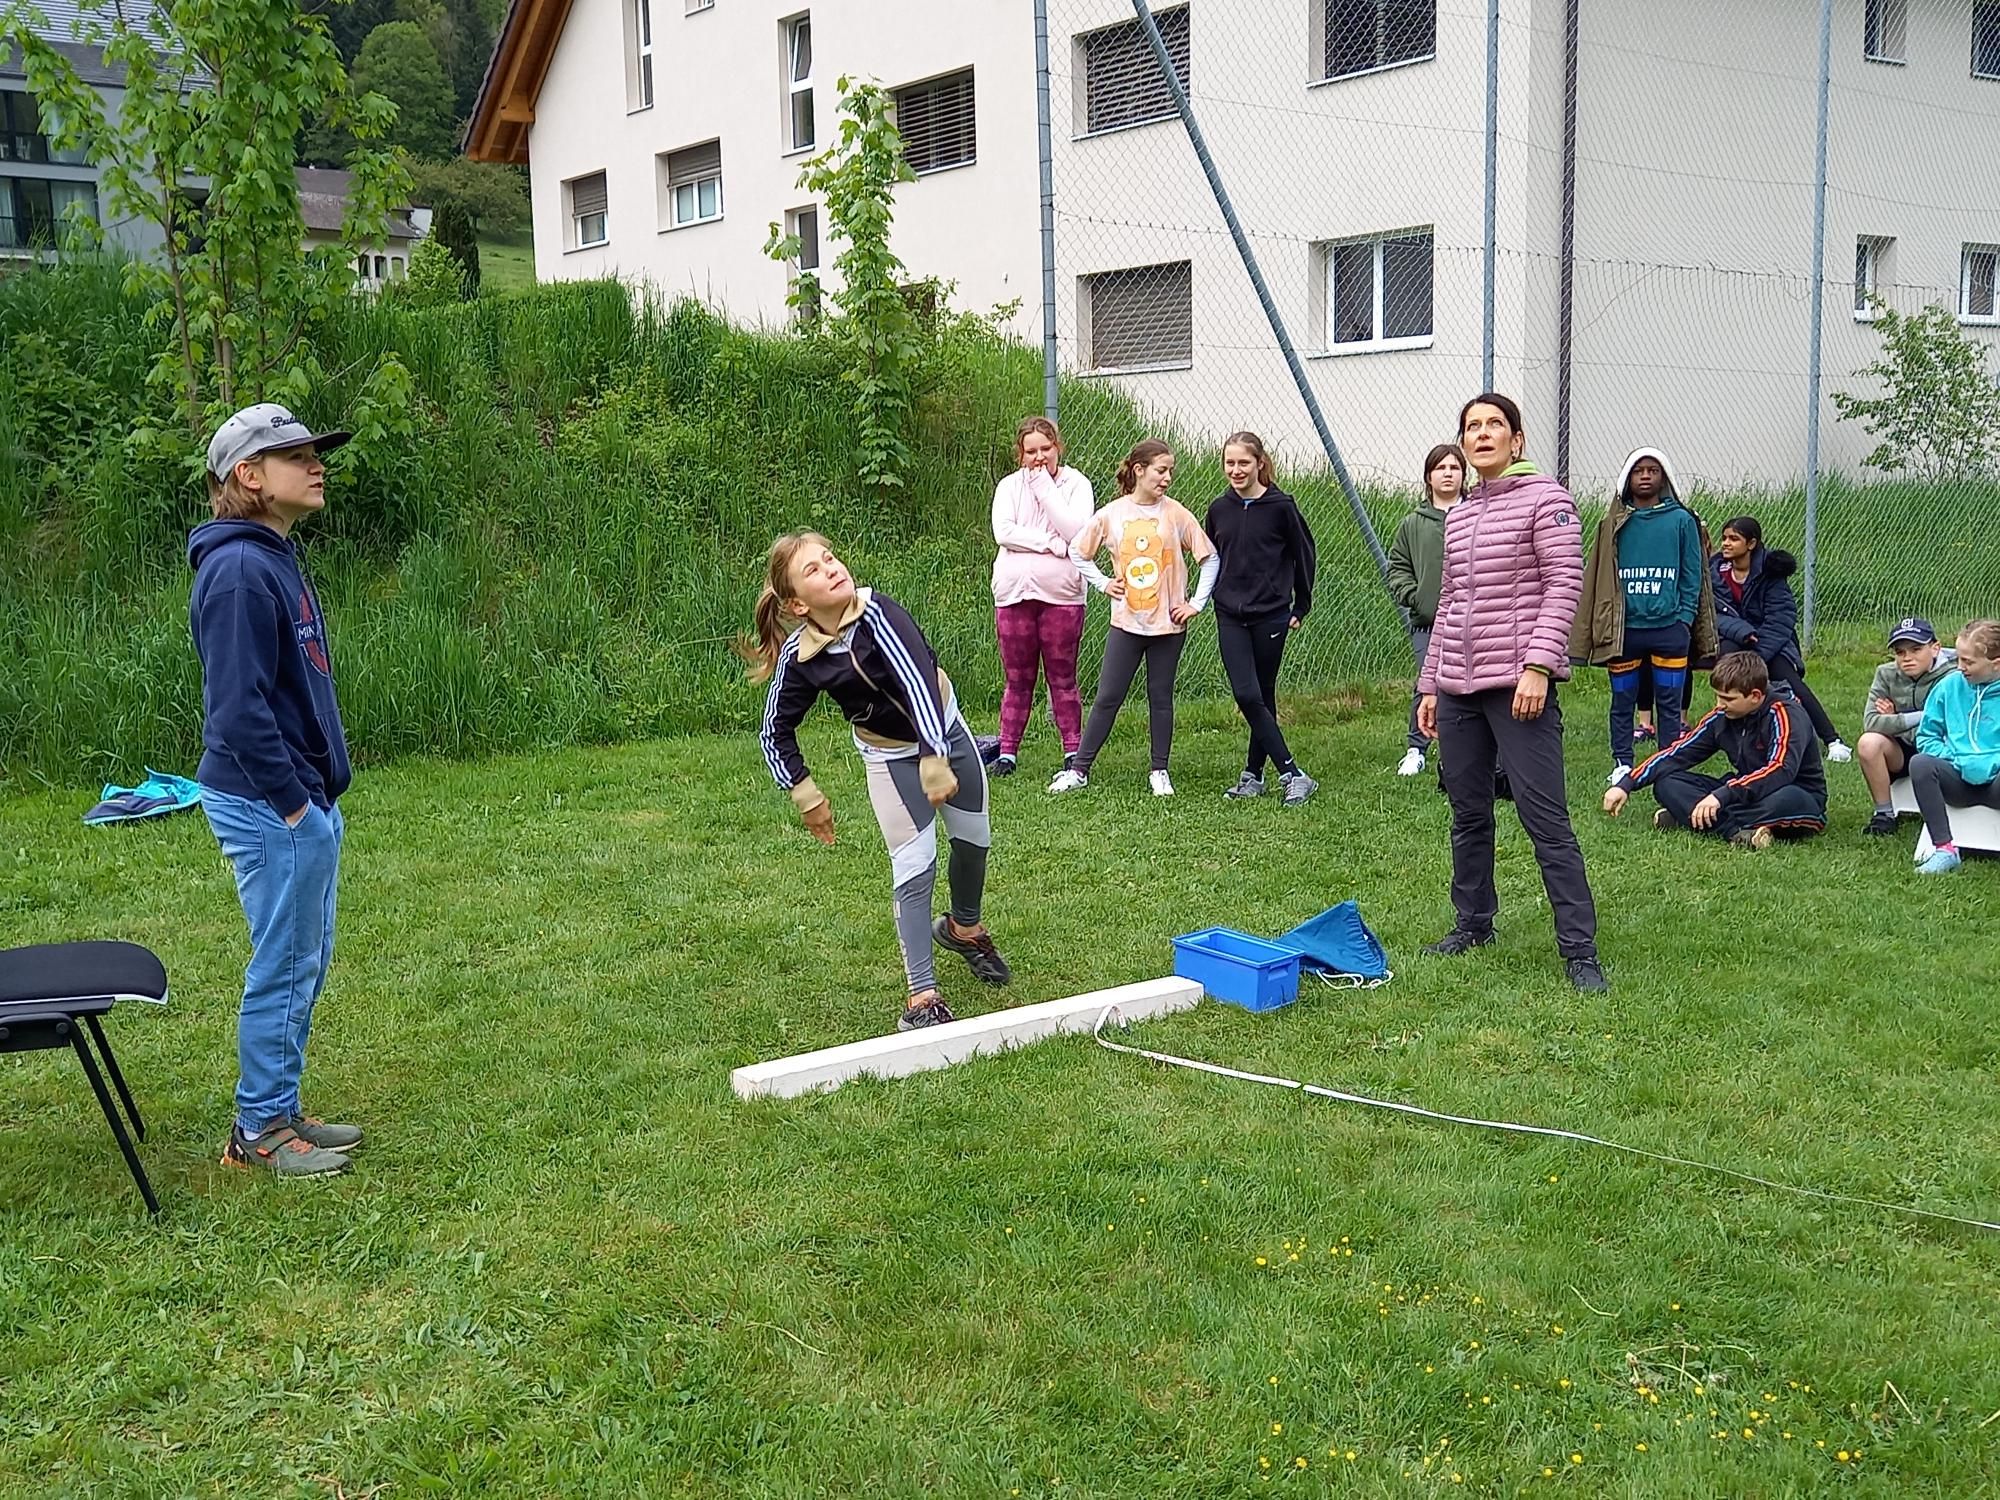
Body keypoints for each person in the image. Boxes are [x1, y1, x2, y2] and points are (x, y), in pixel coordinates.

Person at [189, 404, 362, 1177]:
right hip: (269, 801)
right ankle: (259, 1128)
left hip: (294, 798)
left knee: (303, 958)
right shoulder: (236, 572)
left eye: (315, 451)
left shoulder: (270, 555)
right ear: (248, 476)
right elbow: (237, 708)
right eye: (294, 454)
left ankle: (280, 1108)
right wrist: (296, 802)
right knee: (286, 963)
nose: (315, 463)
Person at [746, 532, 1011, 1030]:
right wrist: (805, 793)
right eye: (814, 570)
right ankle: (922, 995)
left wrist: (936, 754)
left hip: (946, 732)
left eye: (830, 558)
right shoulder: (800, 660)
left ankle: (964, 928)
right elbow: (773, 730)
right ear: (798, 604)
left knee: (974, 842)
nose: (831, 568)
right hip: (888, 758)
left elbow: (916, 679)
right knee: (915, 864)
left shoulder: (877, 611)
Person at [1416, 394, 1606, 992]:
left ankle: (1579, 952)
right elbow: (1449, 604)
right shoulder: (1462, 513)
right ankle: (1473, 923)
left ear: (1516, 440)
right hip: (1457, 690)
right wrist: (1430, 685)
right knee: (1467, 812)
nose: (1482, 434)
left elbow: (1565, 584)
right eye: (1472, 427)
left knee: (1543, 816)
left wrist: (1539, 667)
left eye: (1495, 424)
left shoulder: (1547, 500)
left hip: (1518, 686)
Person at [1049, 440, 1218, 797]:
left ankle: (1159, 771)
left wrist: (1196, 604)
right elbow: (1077, 551)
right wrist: (1103, 583)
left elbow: (1210, 558)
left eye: (1170, 471)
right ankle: (1079, 770)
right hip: (1126, 624)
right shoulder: (1112, 514)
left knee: (1160, 697)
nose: (1167, 478)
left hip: (1169, 626)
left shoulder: (1176, 514)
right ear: (1139, 471)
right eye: (1161, 470)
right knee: (1108, 696)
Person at [1571, 447, 1717, 784]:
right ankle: (1622, 761)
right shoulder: (1614, 523)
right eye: (1639, 471)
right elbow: (1599, 575)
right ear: (1627, 479)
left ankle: (1667, 762)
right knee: (1623, 698)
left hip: (1669, 629)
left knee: (1670, 701)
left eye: (1653, 470)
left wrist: (1683, 618)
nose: (1646, 476)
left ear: (1664, 476)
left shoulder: (1682, 520)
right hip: (1626, 630)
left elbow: (1692, 575)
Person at [1603, 650, 1826, 847]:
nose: (1720, 704)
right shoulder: (1721, 716)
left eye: (1728, 698)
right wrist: (1627, 783)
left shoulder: (1785, 713)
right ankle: (1732, 831)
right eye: (1718, 696)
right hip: (1744, 788)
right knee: (1667, 784)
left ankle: (1690, 817)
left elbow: (1780, 769)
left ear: (1755, 696)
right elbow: (1677, 753)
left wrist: (1720, 796)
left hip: (1795, 792)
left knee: (1780, 800)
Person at [1205, 431, 1319, 805]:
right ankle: (1292, 773)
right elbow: (1212, 558)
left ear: (1260, 464)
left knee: (1261, 695)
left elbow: (1304, 555)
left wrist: (1301, 604)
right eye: (1230, 463)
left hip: (1271, 615)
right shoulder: (1218, 508)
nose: (1236, 470)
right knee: (1246, 693)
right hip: (1229, 614)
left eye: (1243, 463)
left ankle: (1254, 775)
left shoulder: (1281, 506)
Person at [989, 416, 1094, 779]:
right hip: (1013, 593)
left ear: (1057, 448)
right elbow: (1003, 532)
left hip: (1062, 596)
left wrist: (1046, 491)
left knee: (1062, 676)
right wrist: (1049, 543)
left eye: (1044, 450)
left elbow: (1077, 533)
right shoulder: (1008, 486)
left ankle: (1073, 751)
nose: (1037, 458)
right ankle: (1007, 752)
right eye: (1030, 451)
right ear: (1020, 453)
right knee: (1017, 678)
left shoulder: (1076, 484)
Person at [1711, 516, 1851, 761]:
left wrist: (1759, 656)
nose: (1726, 544)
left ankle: (1833, 740)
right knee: (1729, 674)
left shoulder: (1771, 573)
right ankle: (1732, 738)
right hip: (1737, 639)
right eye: (1724, 538)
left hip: (1772, 644)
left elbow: (1781, 619)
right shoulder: (1714, 573)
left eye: (1734, 539)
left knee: (1789, 679)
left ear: (1751, 543)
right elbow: (1713, 615)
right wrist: (1743, 632)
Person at [1387, 443, 1463, 776]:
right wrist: (1415, 596)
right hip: (1428, 624)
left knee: (1468, 689)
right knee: (1428, 685)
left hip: (1473, 623)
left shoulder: (1477, 514)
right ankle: (1417, 748)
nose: (1448, 474)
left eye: (1454, 468)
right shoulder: (1413, 524)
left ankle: (1463, 751)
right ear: (1428, 477)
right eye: (1441, 468)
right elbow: (1397, 567)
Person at [1906, 619, 2000, 876]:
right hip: (1957, 777)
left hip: (1996, 783)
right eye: (1958, 658)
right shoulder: (1949, 686)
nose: (1961, 667)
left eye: (1968, 662)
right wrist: (1955, 758)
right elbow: (1927, 737)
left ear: (1996, 663)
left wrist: (1987, 763)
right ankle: (1945, 849)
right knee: (1921, 763)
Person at [1857, 617, 1957, 835]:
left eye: (1916, 649)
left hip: (1940, 748)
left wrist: (1896, 718)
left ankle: (1949, 810)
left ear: (1935, 648)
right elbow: (1871, 722)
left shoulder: (1953, 675)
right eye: (1900, 652)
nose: (1907, 658)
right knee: (1869, 742)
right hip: (1903, 748)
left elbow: (1950, 721)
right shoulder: (1886, 673)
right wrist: (1923, 716)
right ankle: (1884, 814)